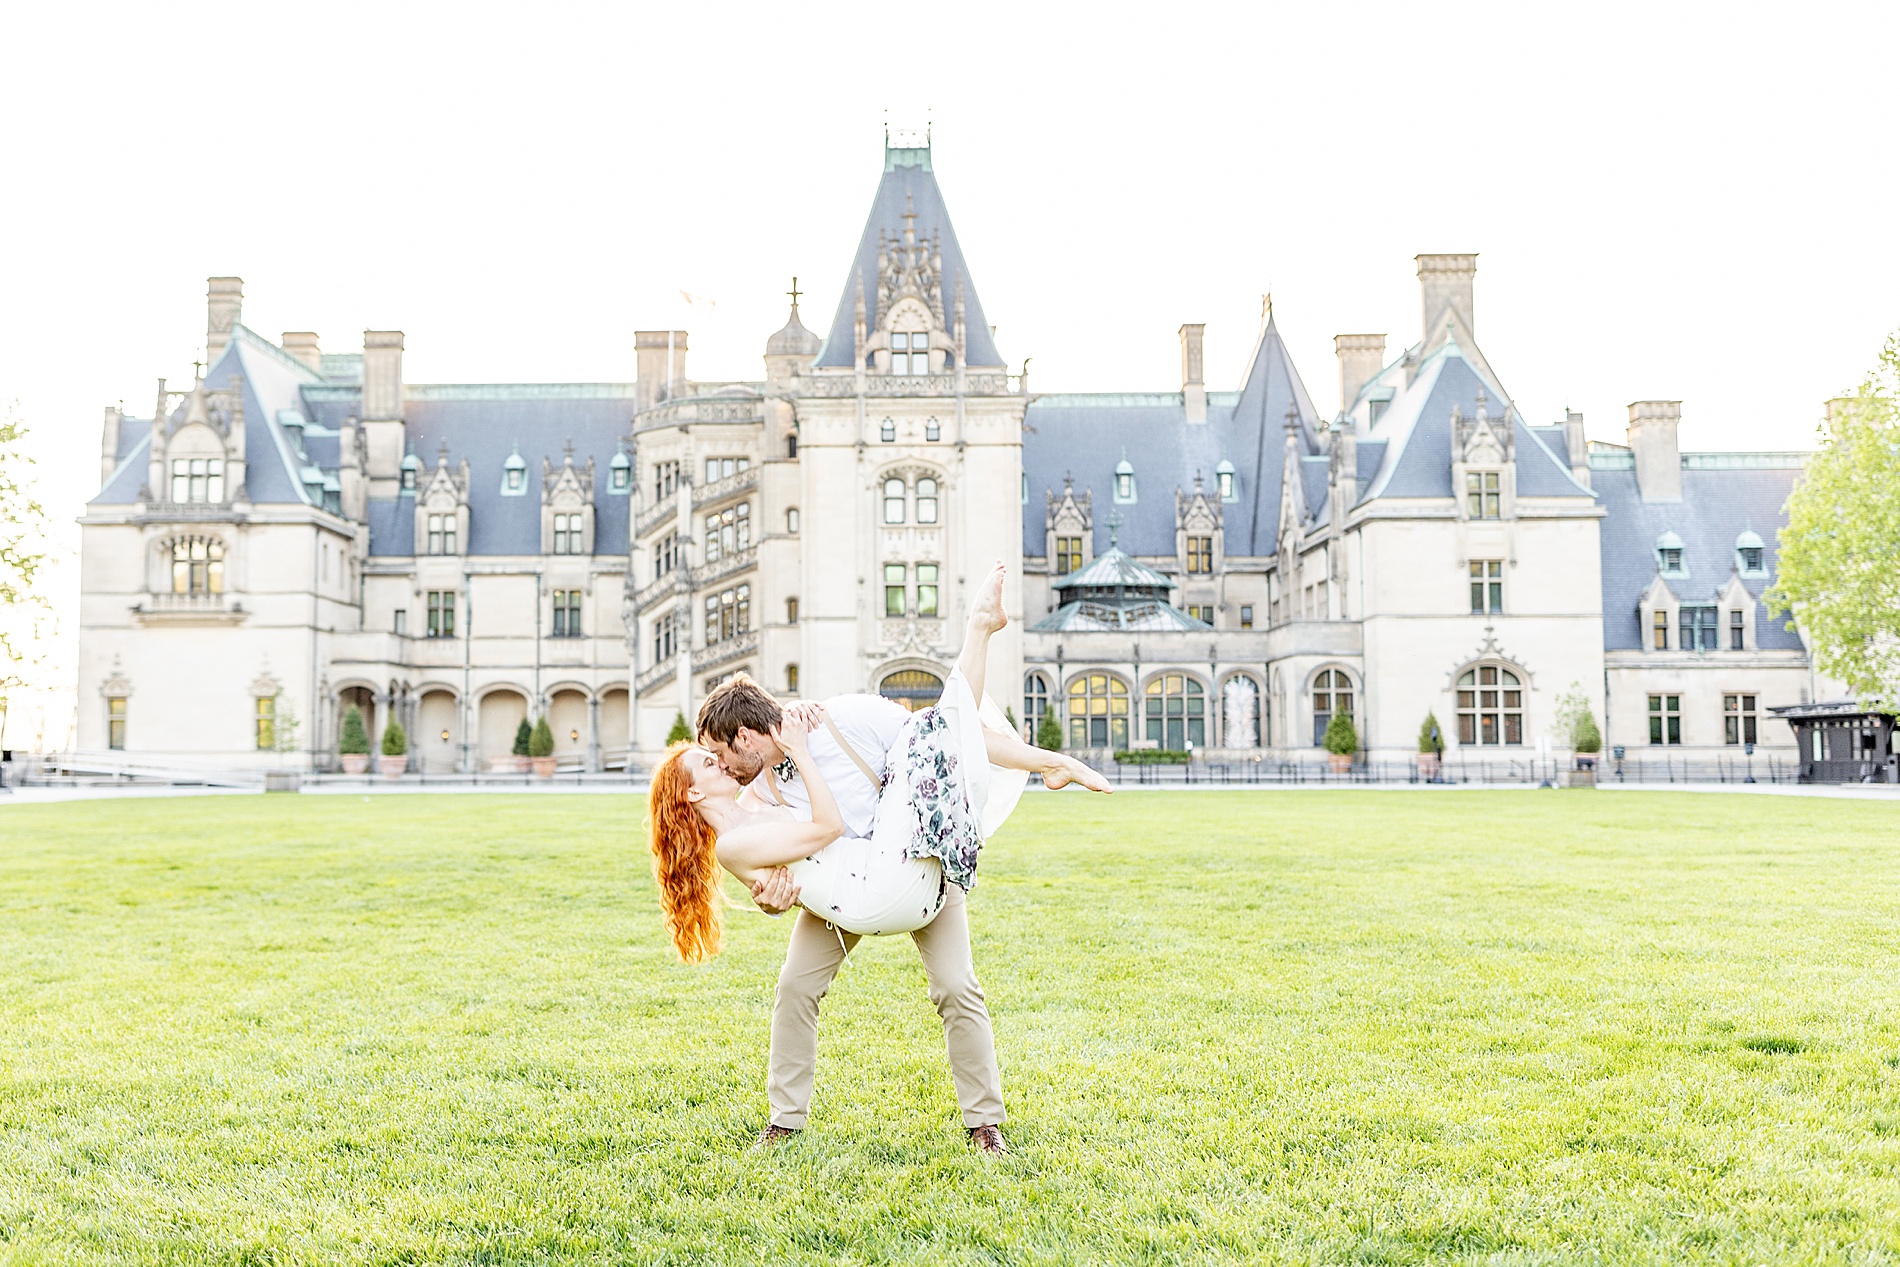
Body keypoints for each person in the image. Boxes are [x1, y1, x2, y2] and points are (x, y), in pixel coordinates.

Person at [652, 563, 1109, 1154]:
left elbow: (947, 739)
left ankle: (984, 1123)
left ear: (743, 737)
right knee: (795, 987)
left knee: (956, 988)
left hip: (919, 862)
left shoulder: (846, 719)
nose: (723, 767)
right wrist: (768, 901)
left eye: (719, 753)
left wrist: (1034, 759)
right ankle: (784, 1120)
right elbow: (762, 867)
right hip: (847, 891)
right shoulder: (759, 789)